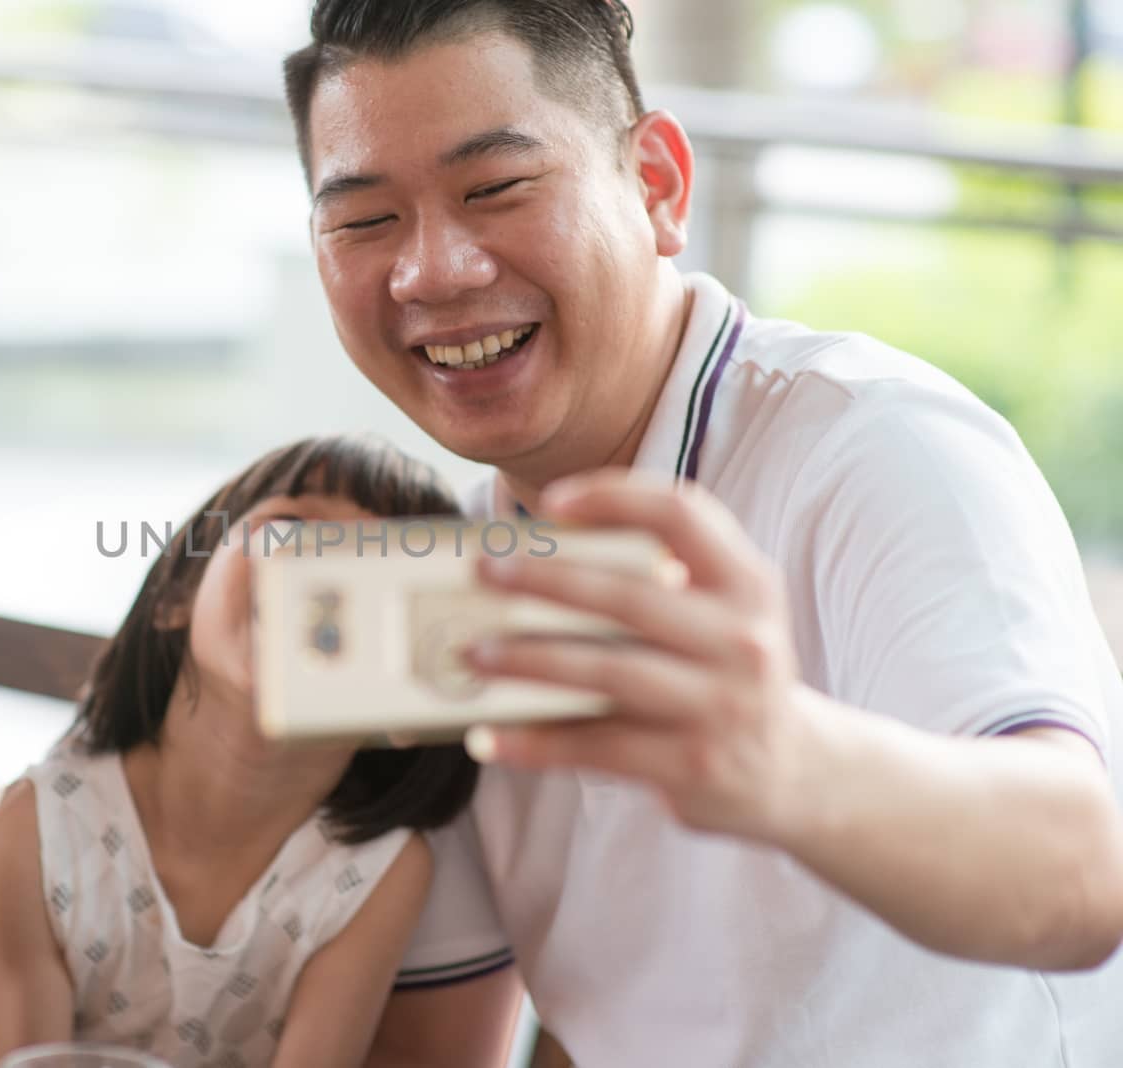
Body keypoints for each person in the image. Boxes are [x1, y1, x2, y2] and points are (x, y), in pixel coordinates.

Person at [281, 2, 1123, 1065]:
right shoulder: (448, 580)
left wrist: (773, 754)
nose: (431, 271)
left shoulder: (877, 449)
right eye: (362, 221)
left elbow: (1080, 878)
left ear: (659, 185)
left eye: (493, 189)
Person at [0, 436, 480, 1067]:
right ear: (176, 594)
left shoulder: (379, 873)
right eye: (291, 528)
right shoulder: (33, 832)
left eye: (382, 567)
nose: (325, 572)